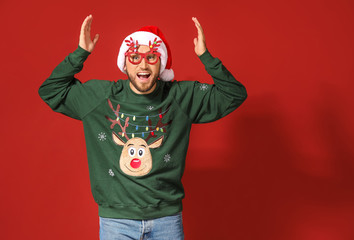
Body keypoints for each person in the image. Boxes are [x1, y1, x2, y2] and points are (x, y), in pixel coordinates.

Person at [39, 14, 247, 240]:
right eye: (135, 57)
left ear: (162, 63)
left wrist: (206, 57)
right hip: (116, 222)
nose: (144, 65)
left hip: (166, 221)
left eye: (152, 57)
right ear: (125, 62)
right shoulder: (101, 97)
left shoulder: (180, 97)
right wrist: (80, 53)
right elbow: (50, 90)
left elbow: (234, 94)